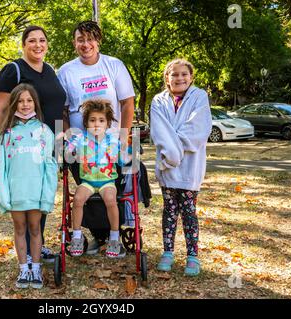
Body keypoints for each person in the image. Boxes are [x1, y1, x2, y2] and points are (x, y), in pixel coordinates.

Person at [57, 20, 135, 254]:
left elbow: (127, 102)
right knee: (86, 194)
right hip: (82, 147)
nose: (86, 44)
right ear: (74, 43)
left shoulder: (113, 65)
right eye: (80, 39)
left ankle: (114, 237)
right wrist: (68, 140)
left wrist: (124, 136)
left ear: (98, 40)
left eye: (90, 38)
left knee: (112, 194)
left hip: (111, 145)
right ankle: (96, 236)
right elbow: (63, 110)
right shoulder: (66, 71)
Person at [0, 25, 66, 263]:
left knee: (42, 190)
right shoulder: (13, 70)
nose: (38, 45)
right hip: (25, 144)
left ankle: (38, 244)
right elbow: (2, 109)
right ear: (23, 45)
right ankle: (31, 251)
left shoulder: (51, 70)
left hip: (49, 140)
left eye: (42, 40)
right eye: (32, 41)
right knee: (28, 194)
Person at [150, 58, 212, 276]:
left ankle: (192, 256)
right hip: (167, 165)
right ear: (167, 78)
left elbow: (198, 129)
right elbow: (159, 132)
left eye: (184, 74)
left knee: (188, 210)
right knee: (169, 210)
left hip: (189, 165)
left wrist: (174, 149)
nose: (179, 78)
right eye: (174, 74)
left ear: (191, 76)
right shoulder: (158, 101)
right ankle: (167, 252)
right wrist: (171, 153)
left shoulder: (199, 97)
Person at [0, 83, 58, 289]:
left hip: (36, 193)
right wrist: (3, 195)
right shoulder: (5, 134)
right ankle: (23, 269)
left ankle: (36, 268)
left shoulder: (44, 131)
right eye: (20, 101)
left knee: (35, 228)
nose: (25, 104)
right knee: (19, 228)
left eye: (29, 100)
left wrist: (47, 195)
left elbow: (50, 166)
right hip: (15, 193)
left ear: (35, 103)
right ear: (14, 104)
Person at [65, 99, 129, 258]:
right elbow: (69, 151)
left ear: (107, 123)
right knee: (78, 199)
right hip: (87, 181)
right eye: (92, 120)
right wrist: (68, 148)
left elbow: (121, 162)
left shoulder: (112, 140)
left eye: (101, 120)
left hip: (107, 181)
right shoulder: (80, 139)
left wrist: (123, 151)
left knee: (110, 199)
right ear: (86, 122)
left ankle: (114, 237)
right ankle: (77, 236)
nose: (96, 124)